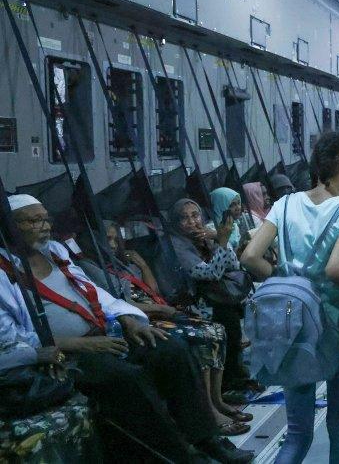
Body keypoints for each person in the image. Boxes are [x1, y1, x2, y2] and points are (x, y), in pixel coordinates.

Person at [1, 195, 252, 463]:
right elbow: (9, 340)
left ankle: (207, 439)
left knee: (171, 350)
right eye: (33, 220)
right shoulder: (4, 273)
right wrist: (78, 344)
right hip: (65, 354)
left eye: (45, 218)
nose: (44, 226)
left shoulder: (56, 253)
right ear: (9, 227)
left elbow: (94, 292)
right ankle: (179, 455)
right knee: (126, 378)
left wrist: (126, 317)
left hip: (102, 335)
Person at [242, 132, 339, 464]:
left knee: (298, 433)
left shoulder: (284, 204)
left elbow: (251, 257)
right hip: (336, 325)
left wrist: (290, 282)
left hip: (292, 325)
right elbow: (336, 269)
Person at [93, 220, 248, 435]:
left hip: (159, 307)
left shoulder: (121, 262)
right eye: (106, 239)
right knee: (201, 336)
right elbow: (119, 305)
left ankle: (217, 399)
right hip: (143, 318)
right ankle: (208, 410)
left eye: (114, 238)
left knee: (216, 330)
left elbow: (152, 289)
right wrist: (161, 309)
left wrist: (143, 265)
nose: (111, 245)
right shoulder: (95, 269)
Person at [0, 268, 97, 462]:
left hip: (17, 365)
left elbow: (12, 333)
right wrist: (33, 354)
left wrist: (46, 353)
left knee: (79, 410)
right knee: (37, 433)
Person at [168, 198, 257, 394]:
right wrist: (222, 242)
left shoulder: (205, 236)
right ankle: (229, 382)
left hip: (216, 296)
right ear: (175, 223)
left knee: (235, 310)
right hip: (191, 302)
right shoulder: (177, 245)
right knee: (226, 317)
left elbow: (233, 264)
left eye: (195, 215)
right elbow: (210, 274)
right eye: (184, 218)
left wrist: (217, 238)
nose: (192, 222)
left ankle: (238, 373)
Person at [208, 187, 246, 253]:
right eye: (231, 205)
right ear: (220, 206)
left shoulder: (234, 225)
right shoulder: (210, 229)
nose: (238, 208)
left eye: (238, 203)